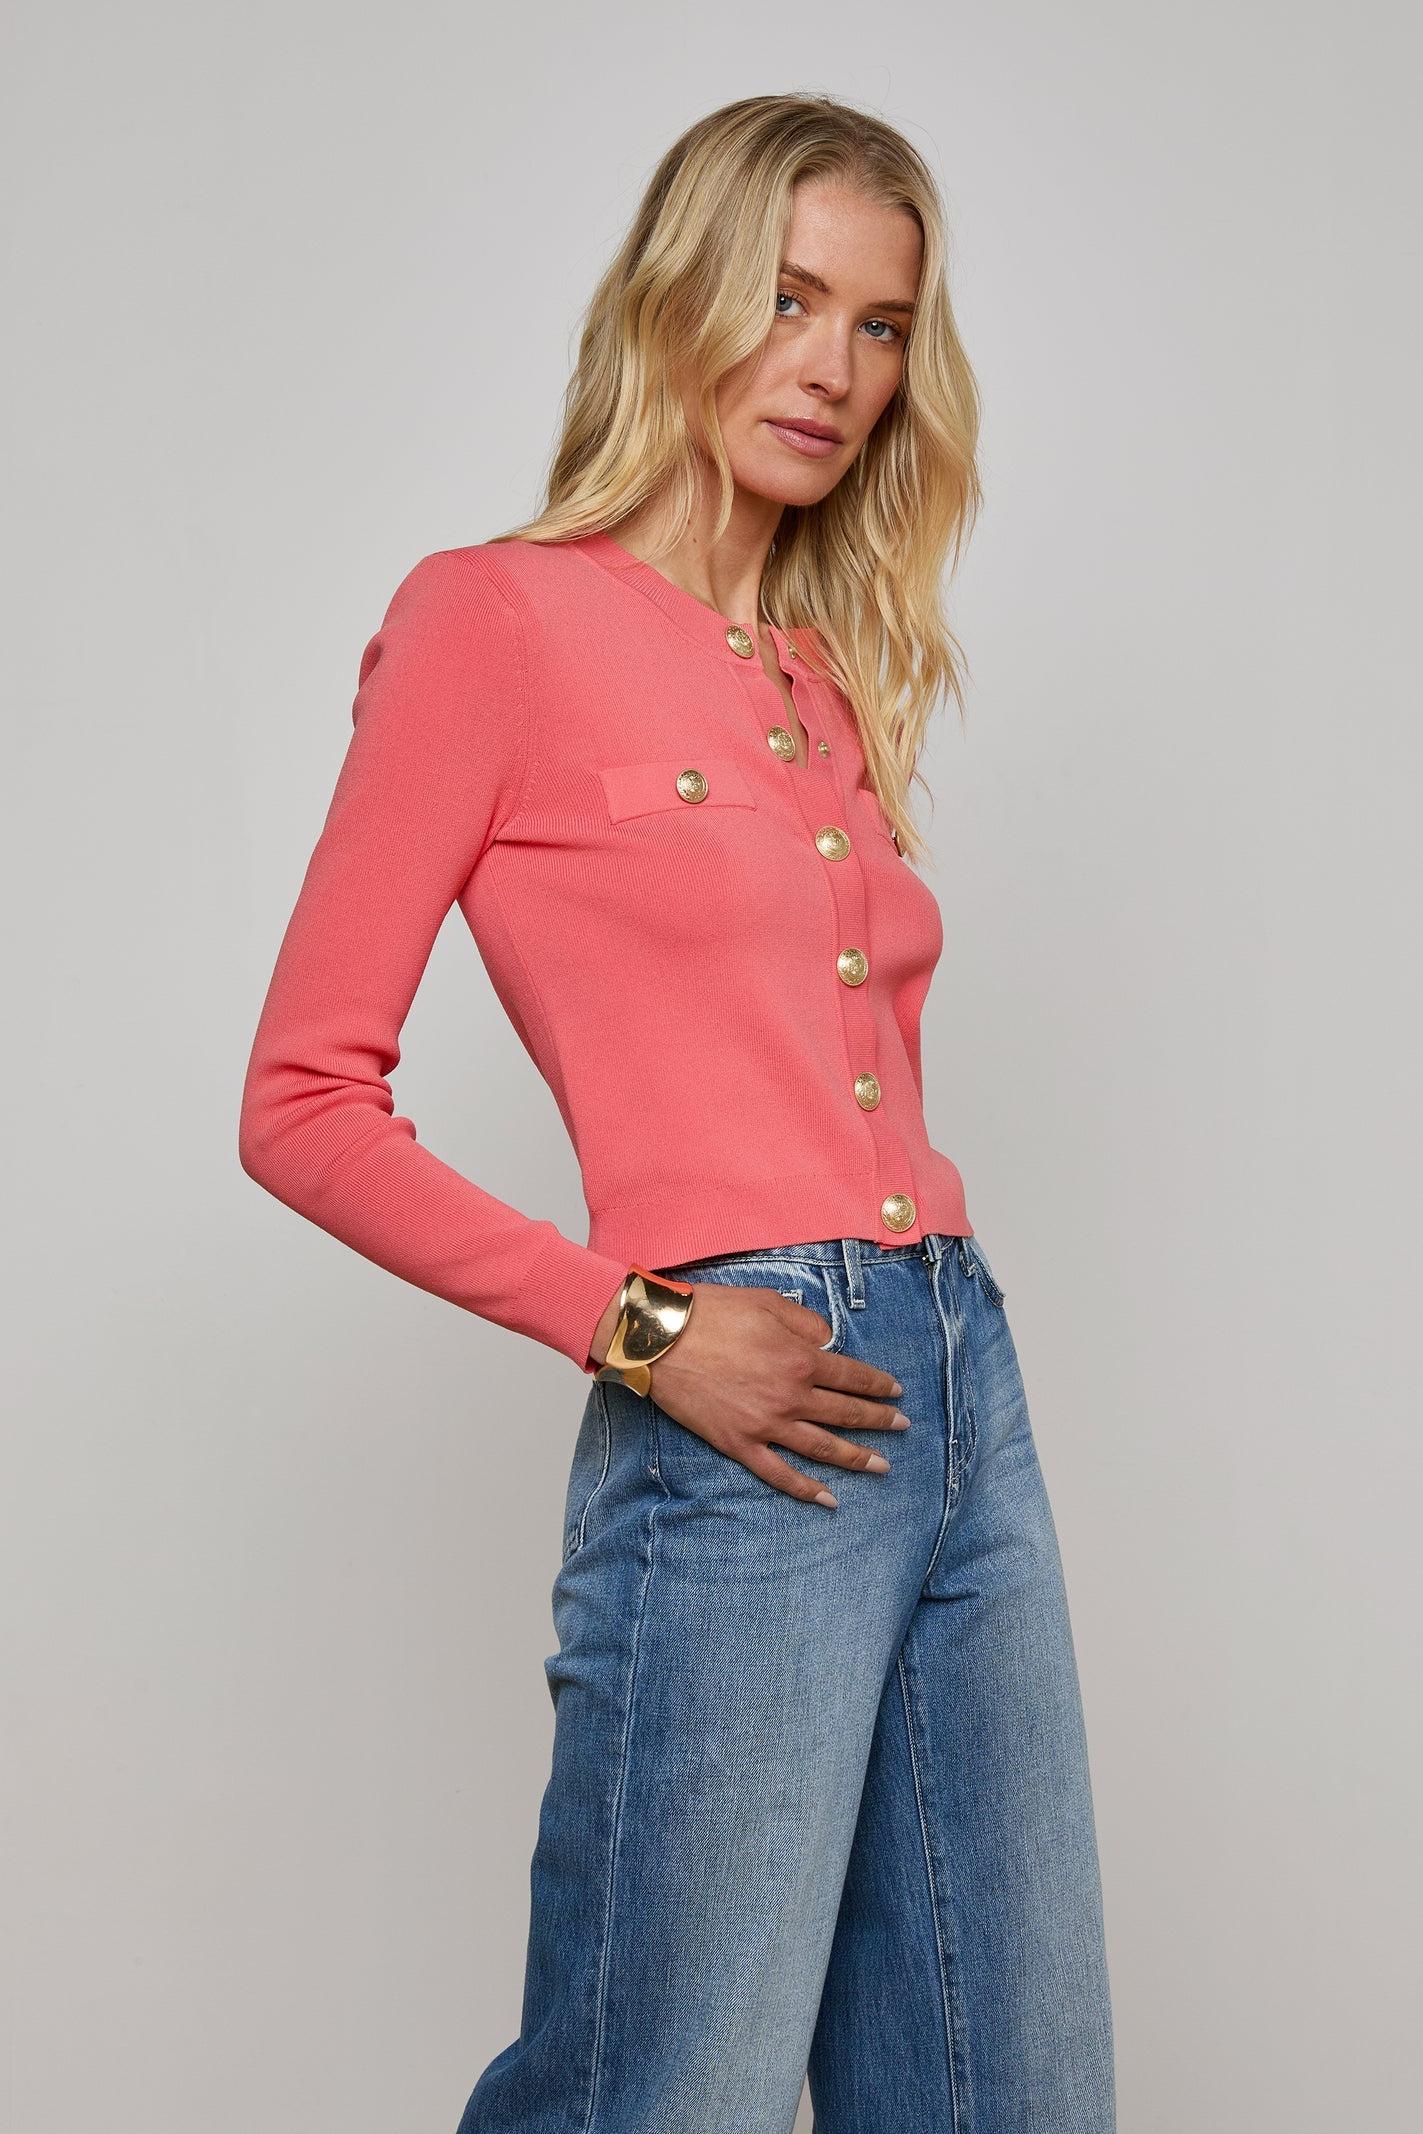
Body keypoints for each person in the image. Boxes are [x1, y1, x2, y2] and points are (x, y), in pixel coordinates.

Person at [238, 91, 1116, 2134]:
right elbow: (299, 1100)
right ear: (679, 294)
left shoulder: (819, 667)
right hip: (743, 1402)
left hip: (959, 1378)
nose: (834, 367)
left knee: (1011, 2091)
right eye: (789, 298)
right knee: (663, 2095)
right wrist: (636, 1323)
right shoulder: (494, 619)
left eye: (879, 325)